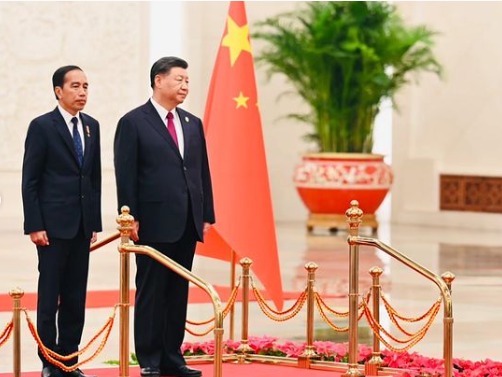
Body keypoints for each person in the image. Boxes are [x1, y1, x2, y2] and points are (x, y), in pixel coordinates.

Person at [114, 56, 215, 377]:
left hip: (187, 220)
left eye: (187, 81)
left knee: (178, 290)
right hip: (153, 222)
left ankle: (173, 356)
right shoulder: (134, 122)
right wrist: (131, 217)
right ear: (159, 80)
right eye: (179, 79)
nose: (185, 86)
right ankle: (149, 359)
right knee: (152, 290)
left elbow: (202, 172)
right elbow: (125, 174)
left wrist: (206, 214)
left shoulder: (192, 123)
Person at [21, 65, 102, 377]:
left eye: (86, 86)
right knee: (50, 296)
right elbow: (30, 180)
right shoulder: (42, 126)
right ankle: (49, 362)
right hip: (52, 228)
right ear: (59, 91)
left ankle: (69, 359)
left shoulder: (92, 126)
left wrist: (93, 222)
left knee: (75, 296)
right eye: (76, 86)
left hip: (81, 227)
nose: (82, 92)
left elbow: (92, 178)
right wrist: (35, 224)